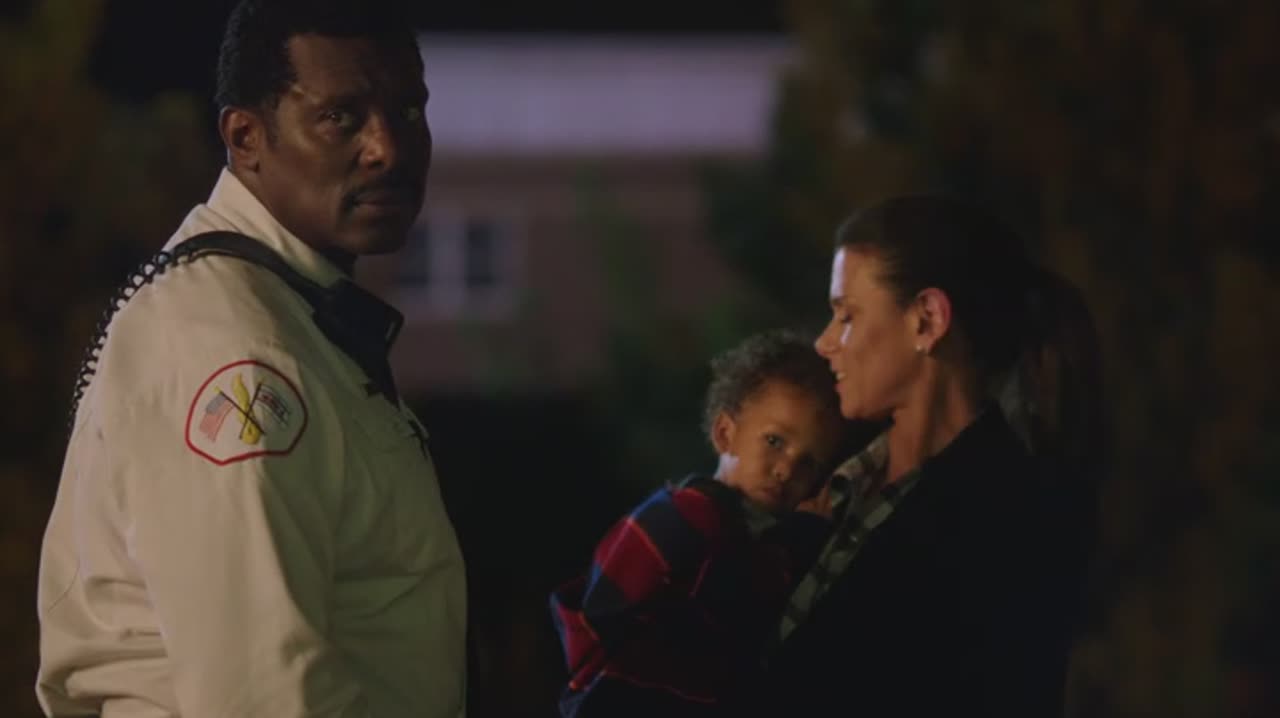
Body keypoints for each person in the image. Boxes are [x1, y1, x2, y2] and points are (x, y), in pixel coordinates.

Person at [35, 2, 466, 716]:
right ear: (245, 138)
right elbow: (261, 692)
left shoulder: (284, 313)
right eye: (341, 117)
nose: (387, 148)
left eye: (409, 111)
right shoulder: (237, 348)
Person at [760, 195, 1102, 716]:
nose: (825, 342)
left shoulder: (1006, 522)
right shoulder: (818, 469)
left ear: (926, 320)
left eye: (846, 315)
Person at [550, 330, 853, 718]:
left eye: (808, 462)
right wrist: (799, 539)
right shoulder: (688, 516)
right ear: (725, 433)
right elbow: (735, 596)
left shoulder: (741, 530)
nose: (786, 469)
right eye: (775, 441)